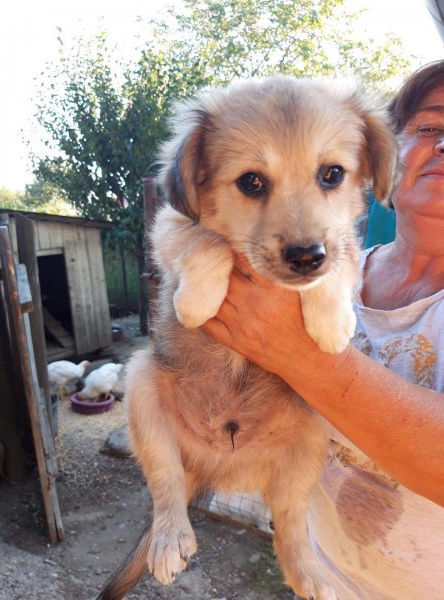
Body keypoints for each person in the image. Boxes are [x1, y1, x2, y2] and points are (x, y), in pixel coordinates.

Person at [204, 60, 444, 600]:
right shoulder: (330, 270)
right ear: (383, 156)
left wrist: (299, 355)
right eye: (431, 126)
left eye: (328, 173)